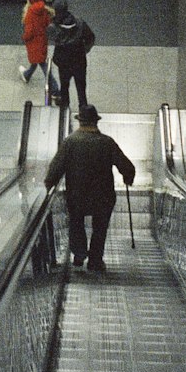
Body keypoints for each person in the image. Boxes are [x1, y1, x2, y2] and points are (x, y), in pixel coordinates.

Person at [44, 104, 135, 272]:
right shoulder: (107, 142)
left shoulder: (70, 142)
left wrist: (50, 184)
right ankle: (95, 260)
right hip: (103, 195)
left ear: (80, 122)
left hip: (77, 195)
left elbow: (56, 167)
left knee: (76, 222)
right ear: (96, 122)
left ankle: (79, 254)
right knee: (100, 228)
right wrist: (128, 177)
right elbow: (126, 165)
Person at [51, 0, 95, 110]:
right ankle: (83, 108)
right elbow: (90, 37)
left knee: (64, 86)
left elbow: (50, 37)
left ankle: (64, 108)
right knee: (81, 87)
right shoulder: (79, 23)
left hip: (64, 63)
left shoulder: (54, 27)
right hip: (79, 61)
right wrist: (84, 50)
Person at [19, 0, 59, 99]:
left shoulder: (30, 14)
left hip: (33, 43)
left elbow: (29, 32)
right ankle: (26, 75)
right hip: (42, 42)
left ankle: (55, 90)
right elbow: (47, 24)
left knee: (43, 65)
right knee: (36, 61)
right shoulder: (44, 10)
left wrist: (24, 38)